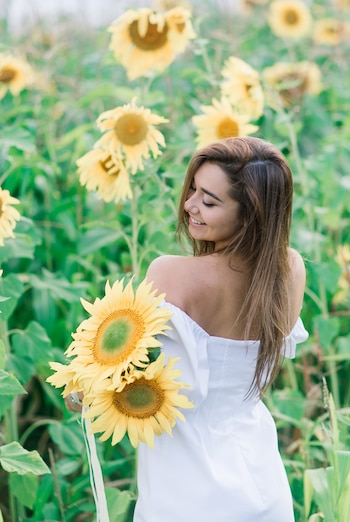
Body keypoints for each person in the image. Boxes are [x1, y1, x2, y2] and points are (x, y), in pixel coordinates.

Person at [67, 136, 308, 522]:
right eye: (193, 189)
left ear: (250, 215)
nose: (189, 205)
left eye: (209, 201)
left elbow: (126, 364)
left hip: (183, 481)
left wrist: (86, 384)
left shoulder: (171, 273)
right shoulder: (289, 270)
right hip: (260, 476)